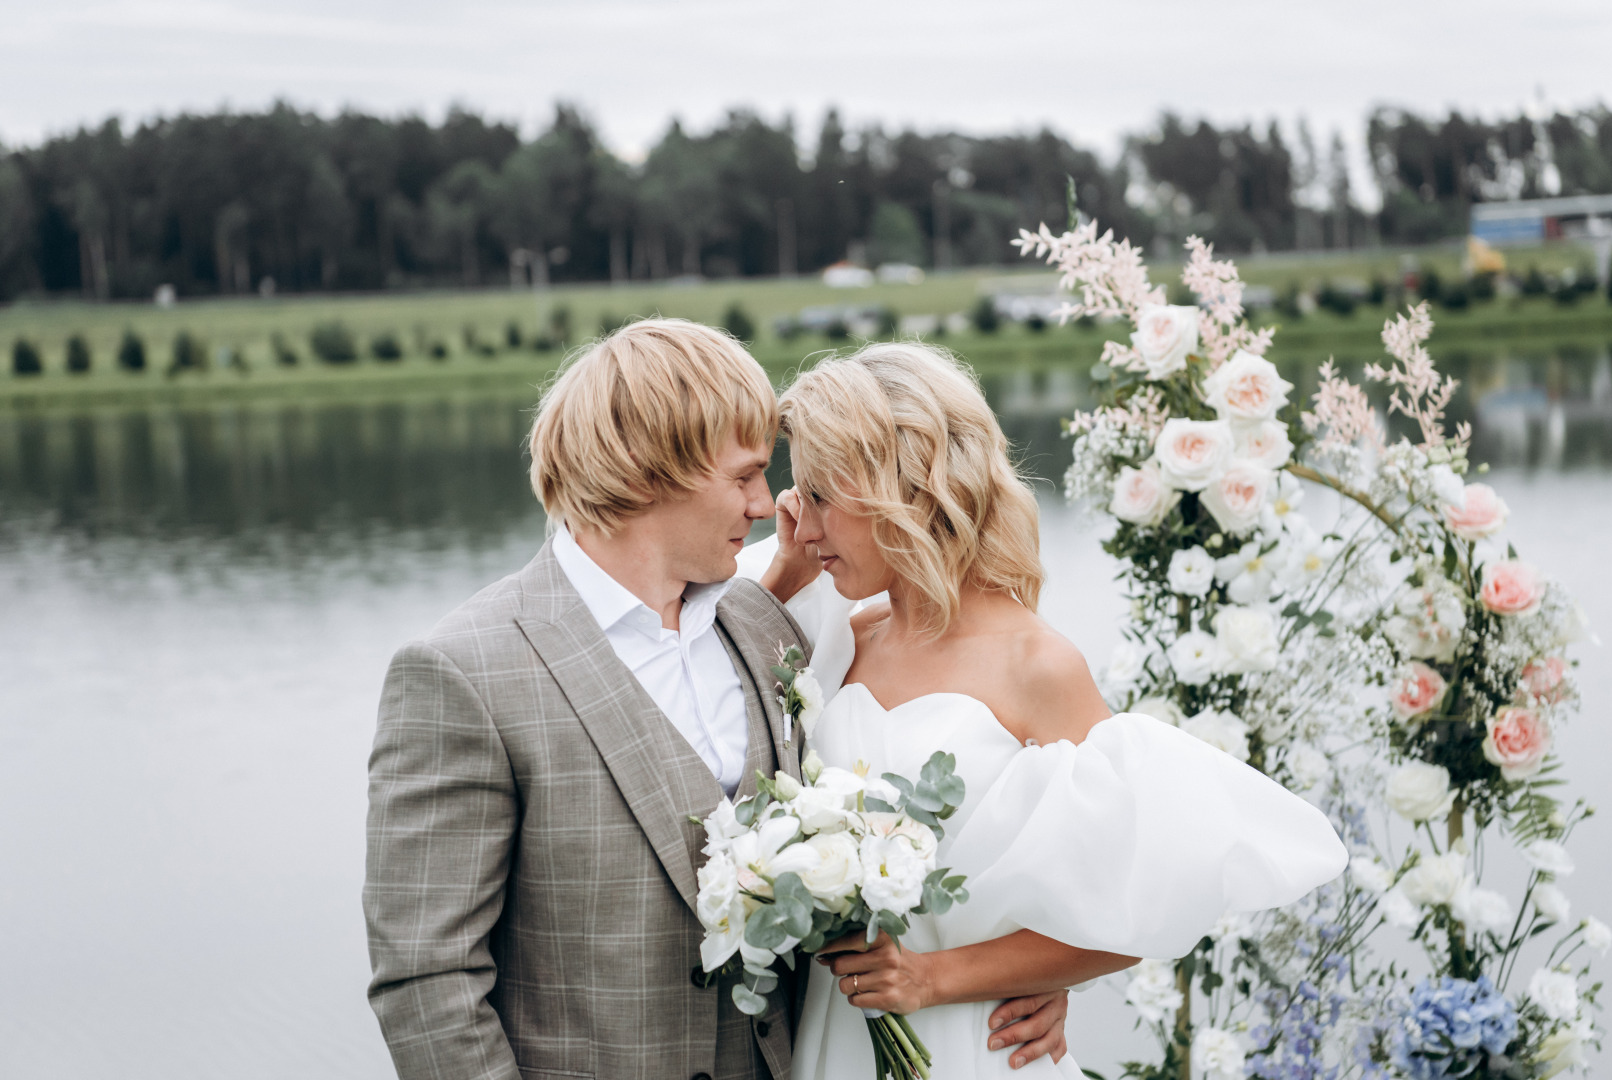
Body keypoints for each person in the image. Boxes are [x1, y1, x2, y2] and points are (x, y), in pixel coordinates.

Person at [363, 319, 1073, 1080]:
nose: (766, 505)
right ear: (646, 473)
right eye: (742, 477)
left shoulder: (763, 625)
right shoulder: (463, 671)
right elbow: (427, 981)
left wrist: (1012, 974)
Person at [744, 341, 1350, 1079]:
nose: (803, 529)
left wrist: (938, 978)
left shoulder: (1036, 664)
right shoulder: (837, 637)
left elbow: (1134, 899)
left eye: (822, 499)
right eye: (798, 497)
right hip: (829, 1038)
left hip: (971, 1044)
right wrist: (780, 575)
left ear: (904, 492)